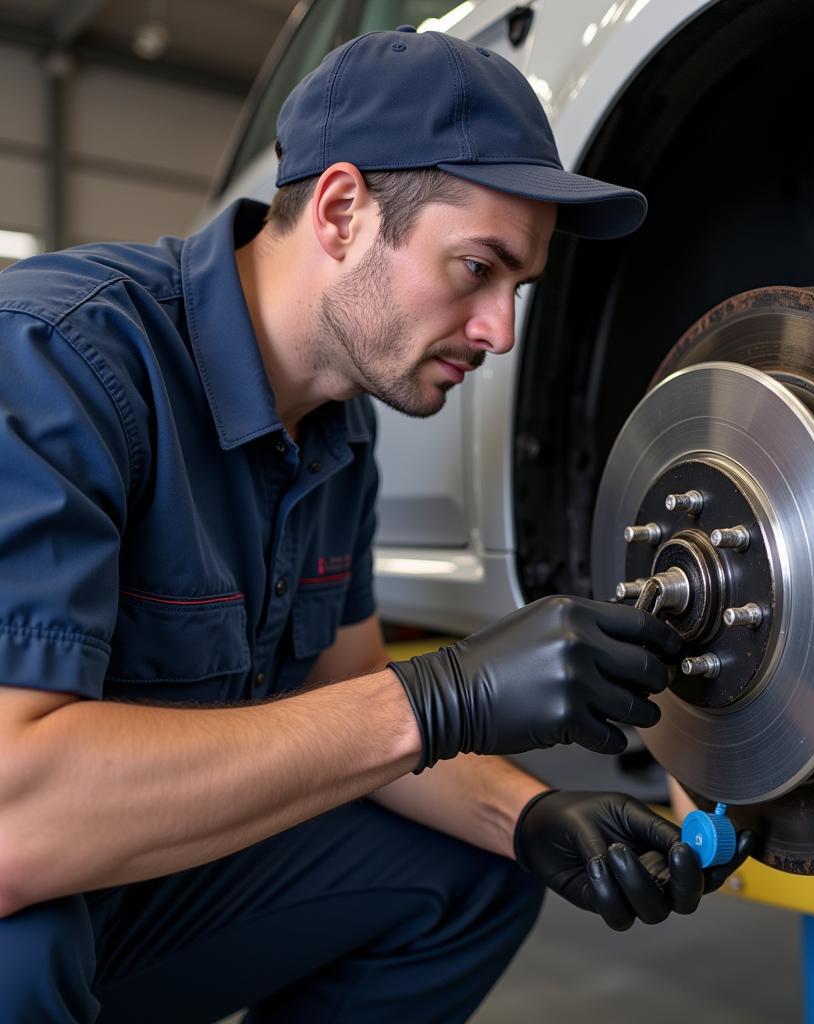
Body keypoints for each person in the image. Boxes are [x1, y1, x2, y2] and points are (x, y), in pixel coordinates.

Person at [0, 26, 751, 1023]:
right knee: (23, 944)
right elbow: (16, 822)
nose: (500, 332)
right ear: (343, 209)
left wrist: (530, 817)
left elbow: (340, 692)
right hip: (28, 871)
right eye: (475, 268)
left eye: (516, 288)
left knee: (473, 869)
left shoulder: (337, 433)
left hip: (115, 884)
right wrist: (449, 694)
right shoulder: (56, 364)